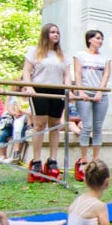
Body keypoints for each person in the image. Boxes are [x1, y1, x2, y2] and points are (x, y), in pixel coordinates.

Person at [22, 23, 69, 182]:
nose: (56, 35)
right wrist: (28, 87)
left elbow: (67, 75)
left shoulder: (61, 55)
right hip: (39, 89)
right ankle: (36, 160)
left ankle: (53, 159)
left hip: (57, 90)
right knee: (40, 124)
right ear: (45, 34)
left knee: (55, 124)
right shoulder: (34, 52)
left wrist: (69, 90)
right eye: (52, 32)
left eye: (57, 32)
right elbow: (26, 71)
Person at [72, 29, 111, 178]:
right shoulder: (80, 55)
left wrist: (100, 92)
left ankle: (95, 160)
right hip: (84, 92)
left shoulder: (105, 58)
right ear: (89, 40)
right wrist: (80, 91)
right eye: (98, 38)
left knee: (97, 127)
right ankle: (83, 160)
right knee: (86, 125)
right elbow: (77, 73)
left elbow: (106, 75)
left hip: (101, 94)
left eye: (102, 38)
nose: (100, 41)